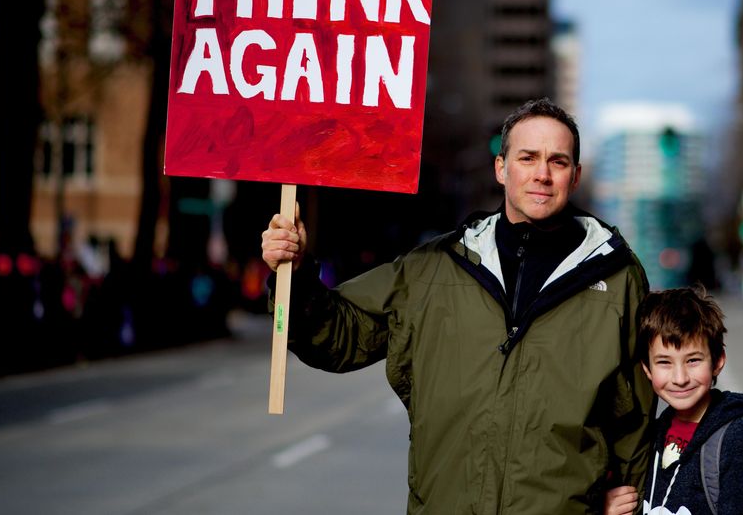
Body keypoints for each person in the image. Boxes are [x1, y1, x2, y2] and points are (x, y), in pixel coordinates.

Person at [261, 98, 654, 514]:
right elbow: (334, 337)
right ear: (501, 168)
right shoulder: (431, 269)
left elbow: (636, 422)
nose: (542, 174)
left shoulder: (617, 279)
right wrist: (296, 273)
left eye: (557, 162)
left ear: (575, 177)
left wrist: (627, 500)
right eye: (528, 158)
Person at [606, 286, 743, 515]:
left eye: (693, 360)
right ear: (647, 369)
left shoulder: (738, 440)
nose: (680, 378)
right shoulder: (652, 434)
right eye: (664, 363)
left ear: (717, 362)